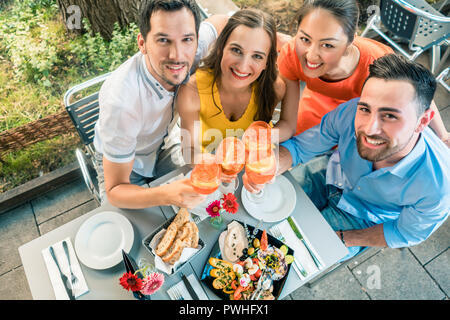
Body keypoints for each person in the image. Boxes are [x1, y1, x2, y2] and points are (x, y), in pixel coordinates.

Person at [244, 53, 450, 260]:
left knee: (282, 259)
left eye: (390, 116)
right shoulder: (351, 111)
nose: (369, 128)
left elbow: (403, 232)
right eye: (365, 109)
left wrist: (345, 238)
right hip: (328, 174)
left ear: (423, 121)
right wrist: (271, 164)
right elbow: (301, 148)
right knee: (253, 214)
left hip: (363, 219)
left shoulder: (440, 186)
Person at [92, 0, 228, 209]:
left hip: (160, 145)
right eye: (163, 40)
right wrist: (167, 194)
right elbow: (116, 190)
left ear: (196, 39)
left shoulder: (195, 47)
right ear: (142, 44)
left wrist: (279, 40)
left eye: (187, 40)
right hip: (122, 167)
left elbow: (222, 22)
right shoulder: (121, 103)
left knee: (205, 195)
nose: (177, 55)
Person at [277, 0, 449, 146]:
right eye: (305, 39)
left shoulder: (377, 62)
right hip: (314, 105)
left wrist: (442, 135)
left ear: (351, 40)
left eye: (327, 45)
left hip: (364, 114)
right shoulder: (292, 54)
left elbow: (417, 93)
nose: (311, 56)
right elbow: (288, 125)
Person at [176, 8, 298, 157]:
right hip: (207, 165)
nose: (243, 66)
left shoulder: (274, 89)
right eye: (236, 50)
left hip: (255, 162)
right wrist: (221, 165)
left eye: (257, 56)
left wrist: (262, 139)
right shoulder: (192, 91)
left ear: (267, 62)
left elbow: (288, 125)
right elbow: (190, 154)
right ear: (220, 48)